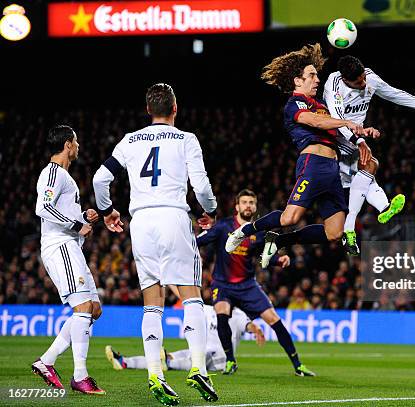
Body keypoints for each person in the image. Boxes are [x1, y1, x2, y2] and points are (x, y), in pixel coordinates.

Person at [92, 83, 218, 405]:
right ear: (175, 108)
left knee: (152, 300)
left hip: (141, 222)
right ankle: (198, 369)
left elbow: (99, 179)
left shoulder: (130, 141)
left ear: (149, 110)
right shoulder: (186, 139)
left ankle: (154, 374)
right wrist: (209, 212)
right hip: (173, 216)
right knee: (191, 296)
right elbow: (201, 185)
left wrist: (107, 211)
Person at [225, 43, 378, 269]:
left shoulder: (322, 105)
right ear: (298, 81)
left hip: (332, 170)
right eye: (312, 75)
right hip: (313, 165)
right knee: (289, 219)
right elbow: (315, 121)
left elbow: (335, 129)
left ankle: (280, 240)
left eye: (317, 76)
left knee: (335, 232)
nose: (317, 80)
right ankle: (244, 230)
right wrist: (346, 121)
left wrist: (361, 135)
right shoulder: (294, 103)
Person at [323, 55, 415, 255]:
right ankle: (360, 221)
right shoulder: (334, 84)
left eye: (363, 77)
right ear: (346, 80)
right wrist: (360, 141)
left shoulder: (370, 78)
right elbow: (337, 120)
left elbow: (394, 94)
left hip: (357, 136)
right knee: (370, 165)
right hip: (335, 137)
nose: (363, 83)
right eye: (358, 82)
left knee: (363, 177)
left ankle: (379, 209)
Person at [199, 189, 315, 376]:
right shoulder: (223, 227)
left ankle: (298, 365)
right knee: (222, 314)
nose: (248, 206)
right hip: (223, 284)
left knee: (275, 321)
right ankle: (230, 361)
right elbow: (200, 241)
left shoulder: (258, 232)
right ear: (237, 206)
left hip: (247, 285)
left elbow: (263, 256)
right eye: (244, 202)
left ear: (255, 206)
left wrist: (279, 260)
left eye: (251, 203)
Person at [32, 125, 105, 395]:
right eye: (75, 141)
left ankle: (47, 361)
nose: (78, 146)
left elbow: (63, 214)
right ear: (67, 145)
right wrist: (76, 225)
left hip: (70, 246)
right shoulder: (53, 173)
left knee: (94, 308)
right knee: (84, 306)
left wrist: (83, 219)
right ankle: (80, 376)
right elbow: (43, 207)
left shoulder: (64, 176)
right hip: (59, 245)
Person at [105, 305, 265, 373]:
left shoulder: (235, 314)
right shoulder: (215, 310)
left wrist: (257, 330)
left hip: (218, 358)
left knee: (190, 358)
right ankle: (125, 361)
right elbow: (250, 326)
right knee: (179, 355)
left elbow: (249, 326)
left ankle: (168, 363)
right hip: (209, 352)